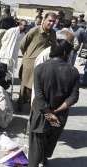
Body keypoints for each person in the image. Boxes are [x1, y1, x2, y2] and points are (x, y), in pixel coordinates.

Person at [29, 39, 79, 167]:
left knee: (36, 144)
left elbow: (39, 95)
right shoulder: (73, 71)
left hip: (40, 113)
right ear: (64, 53)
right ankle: (44, 160)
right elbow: (73, 97)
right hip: (59, 115)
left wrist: (47, 112)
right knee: (50, 140)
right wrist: (56, 111)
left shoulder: (40, 68)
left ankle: (35, 163)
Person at [19, 12, 57, 107]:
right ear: (44, 20)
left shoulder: (53, 33)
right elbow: (22, 45)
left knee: (37, 87)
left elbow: (54, 47)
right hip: (30, 63)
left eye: (53, 21)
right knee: (25, 85)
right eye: (50, 21)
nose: (51, 23)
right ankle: (20, 103)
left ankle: (33, 105)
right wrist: (28, 56)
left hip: (43, 64)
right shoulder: (34, 31)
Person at [31, 30, 75, 105]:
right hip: (43, 99)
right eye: (70, 41)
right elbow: (37, 80)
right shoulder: (46, 54)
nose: (72, 44)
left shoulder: (68, 54)